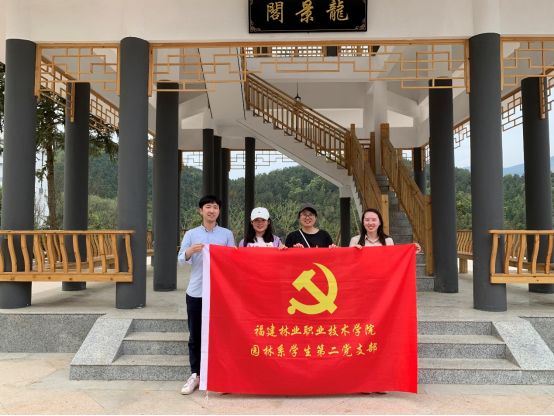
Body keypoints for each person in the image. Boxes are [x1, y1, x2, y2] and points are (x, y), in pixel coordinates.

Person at [177, 195, 235, 395]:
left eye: (215, 207)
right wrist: (190, 251)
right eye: (208, 207)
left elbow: (232, 261)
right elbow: (180, 260)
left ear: (219, 211)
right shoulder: (191, 234)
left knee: (221, 334)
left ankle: (220, 374)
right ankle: (196, 374)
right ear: (201, 211)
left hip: (219, 293)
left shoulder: (226, 234)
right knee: (195, 335)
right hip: (196, 291)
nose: (212, 210)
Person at [350, 208, 422, 252]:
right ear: (363, 222)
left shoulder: (388, 241)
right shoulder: (355, 240)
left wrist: (411, 252)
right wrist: (351, 252)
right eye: (367, 220)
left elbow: (395, 261)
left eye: (374, 220)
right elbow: (349, 264)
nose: (370, 223)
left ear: (380, 222)